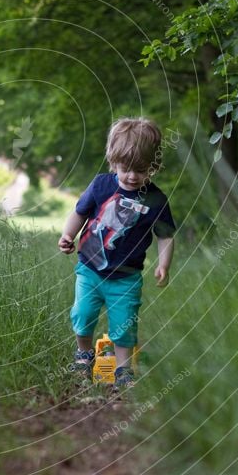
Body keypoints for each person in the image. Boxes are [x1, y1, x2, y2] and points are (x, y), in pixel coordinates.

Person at [58, 117, 176, 394]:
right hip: (89, 270)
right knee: (82, 314)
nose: (133, 176)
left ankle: (123, 370)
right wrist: (67, 236)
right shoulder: (101, 185)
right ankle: (84, 355)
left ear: (153, 165)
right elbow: (79, 212)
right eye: (126, 168)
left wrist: (164, 264)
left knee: (123, 324)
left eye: (142, 169)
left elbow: (166, 236)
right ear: (113, 161)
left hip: (126, 278)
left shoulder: (156, 199)